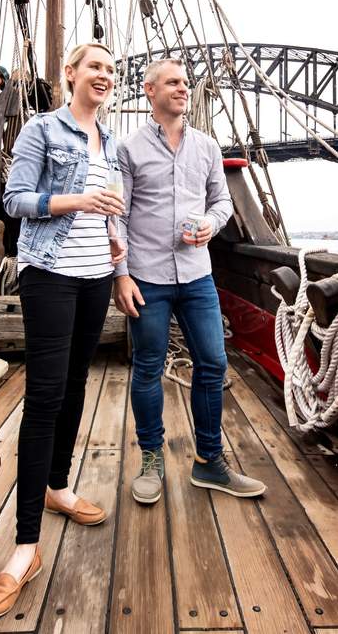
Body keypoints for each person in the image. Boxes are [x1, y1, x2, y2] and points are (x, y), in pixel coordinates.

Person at [0, 43, 125, 621]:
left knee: (77, 387)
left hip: (93, 278)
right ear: (70, 74)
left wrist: (119, 264)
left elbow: (112, 214)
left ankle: (58, 486)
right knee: (43, 398)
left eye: (112, 70)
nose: (105, 76)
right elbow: (14, 201)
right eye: (95, 67)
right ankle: (24, 548)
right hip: (50, 274)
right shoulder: (42, 129)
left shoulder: (109, 142)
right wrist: (76, 199)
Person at [114, 57, 266, 506]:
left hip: (197, 274)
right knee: (147, 368)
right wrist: (120, 276)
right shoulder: (128, 149)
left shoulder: (207, 147)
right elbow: (117, 216)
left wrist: (211, 224)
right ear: (149, 90)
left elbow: (220, 200)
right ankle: (151, 459)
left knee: (214, 364)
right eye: (173, 83)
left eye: (186, 82)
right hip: (148, 276)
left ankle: (210, 462)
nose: (183, 89)